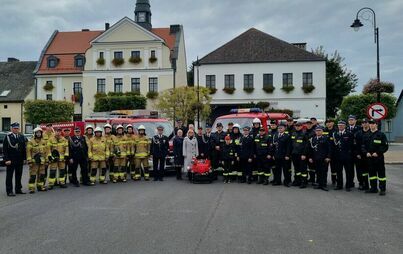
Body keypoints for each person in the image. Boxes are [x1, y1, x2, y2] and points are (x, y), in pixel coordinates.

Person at [362, 120, 388, 195]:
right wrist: (366, 152)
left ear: (376, 125)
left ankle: (382, 189)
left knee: (381, 175)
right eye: (370, 124)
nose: (371, 125)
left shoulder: (381, 135)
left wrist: (378, 153)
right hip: (369, 158)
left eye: (373, 124)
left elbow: (385, 146)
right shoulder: (366, 134)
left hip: (378, 158)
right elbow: (363, 146)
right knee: (372, 174)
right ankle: (373, 188)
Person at [3, 122, 26, 196]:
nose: (16, 130)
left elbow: (23, 148)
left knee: (19, 175)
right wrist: (7, 159)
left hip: (19, 159)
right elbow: (5, 149)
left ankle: (18, 189)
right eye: (15, 128)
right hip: (11, 160)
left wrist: (24, 158)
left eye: (17, 128)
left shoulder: (21, 136)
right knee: (9, 176)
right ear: (11, 129)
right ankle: (9, 191)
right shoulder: (8, 137)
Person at [308, 126, 332, 191]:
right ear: (315, 132)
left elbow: (329, 149)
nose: (318, 132)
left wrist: (328, 157)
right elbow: (311, 149)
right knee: (318, 172)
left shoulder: (326, 138)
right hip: (316, 158)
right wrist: (310, 157)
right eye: (317, 131)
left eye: (319, 130)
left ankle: (324, 185)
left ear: (322, 131)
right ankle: (319, 184)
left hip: (324, 158)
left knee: (324, 172)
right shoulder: (313, 139)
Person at [332, 121, 354, 191]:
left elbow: (352, 145)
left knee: (348, 172)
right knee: (339, 171)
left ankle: (348, 185)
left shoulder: (349, 133)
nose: (340, 127)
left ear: (345, 126)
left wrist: (350, 155)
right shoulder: (335, 134)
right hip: (338, 156)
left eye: (341, 125)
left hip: (347, 156)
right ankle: (339, 185)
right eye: (339, 125)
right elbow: (334, 146)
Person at [26, 127, 48, 193]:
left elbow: (47, 151)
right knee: (33, 175)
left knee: (41, 175)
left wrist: (47, 160)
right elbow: (28, 152)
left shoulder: (44, 141)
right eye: (37, 133)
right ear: (35, 133)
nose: (38, 134)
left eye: (40, 133)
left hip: (42, 161)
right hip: (34, 162)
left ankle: (40, 187)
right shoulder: (31, 142)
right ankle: (31, 188)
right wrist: (29, 161)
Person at [289, 122, 308, 188]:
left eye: (299, 126)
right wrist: (290, 153)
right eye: (296, 126)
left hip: (301, 155)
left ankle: (304, 182)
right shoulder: (293, 133)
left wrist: (304, 154)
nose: (297, 127)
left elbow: (306, 146)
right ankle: (297, 181)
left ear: (301, 126)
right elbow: (290, 145)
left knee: (303, 169)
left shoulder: (304, 134)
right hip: (294, 154)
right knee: (296, 169)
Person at [347, 115, 363, 189]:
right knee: (350, 169)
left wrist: (359, 153)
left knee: (359, 169)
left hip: (357, 153)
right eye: (349, 120)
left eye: (352, 119)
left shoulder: (360, 128)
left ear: (355, 121)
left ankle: (361, 183)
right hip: (349, 153)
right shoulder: (346, 128)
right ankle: (350, 183)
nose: (351, 121)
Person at [355, 119, 371, 190]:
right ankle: (361, 183)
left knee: (370, 170)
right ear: (361, 124)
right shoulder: (358, 133)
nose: (364, 124)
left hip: (369, 155)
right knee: (360, 171)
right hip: (360, 155)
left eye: (366, 122)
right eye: (363, 123)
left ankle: (371, 185)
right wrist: (357, 153)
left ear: (368, 124)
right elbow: (356, 144)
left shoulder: (372, 132)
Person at [324, 118, 337, 185]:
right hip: (325, 153)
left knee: (334, 168)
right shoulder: (323, 130)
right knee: (324, 168)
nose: (328, 123)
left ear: (333, 123)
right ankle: (324, 181)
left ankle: (334, 181)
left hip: (334, 153)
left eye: (330, 122)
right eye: (327, 122)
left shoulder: (336, 131)